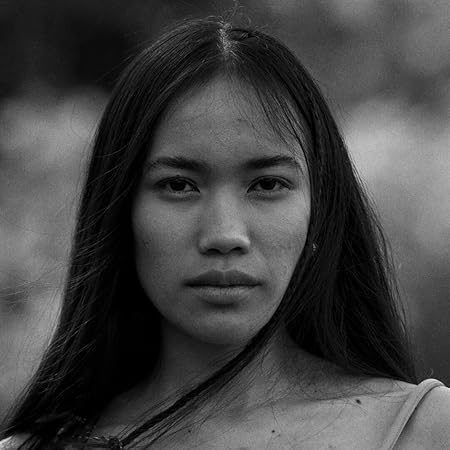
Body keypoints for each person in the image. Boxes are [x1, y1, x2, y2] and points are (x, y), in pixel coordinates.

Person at [0, 17, 449, 449]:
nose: (224, 234)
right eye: (179, 185)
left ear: (320, 214)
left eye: (267, 184)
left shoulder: (426, 429)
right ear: (121, 212)